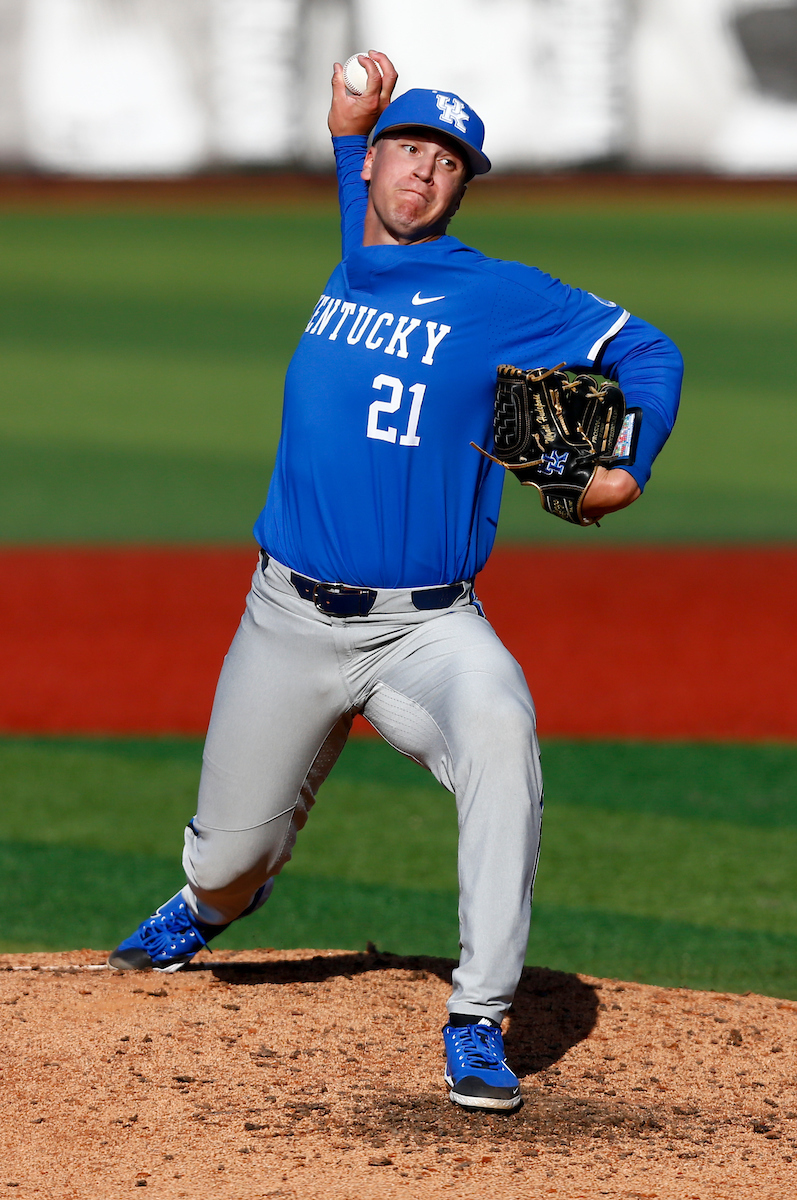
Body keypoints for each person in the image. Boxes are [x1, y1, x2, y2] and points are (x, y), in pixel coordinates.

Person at [109, 53, 683, 1112]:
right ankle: (210, 901)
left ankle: (476, 1017)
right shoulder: (356, 252)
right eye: (406, 150)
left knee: (503, 734)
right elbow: (363, 195)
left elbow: (647, 350)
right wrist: (342, 122)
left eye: (446, 163)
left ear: (464, 186)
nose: (422, 174)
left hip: (426, 632)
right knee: (228, 863)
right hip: (284, 618)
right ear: (367, 166)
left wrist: (623, 469)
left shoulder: (498, 293)